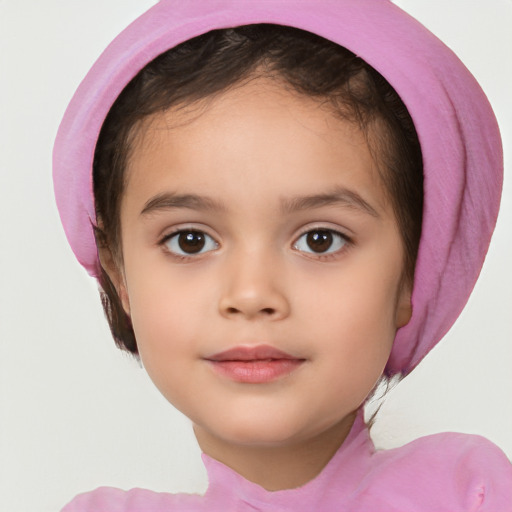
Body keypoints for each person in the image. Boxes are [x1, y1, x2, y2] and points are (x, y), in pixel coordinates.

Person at [53, 1, 512, 510]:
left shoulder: (471, 492)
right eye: (190, 241)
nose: (252, 295)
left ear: (410, 273)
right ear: (119, 275)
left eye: (320, 239)